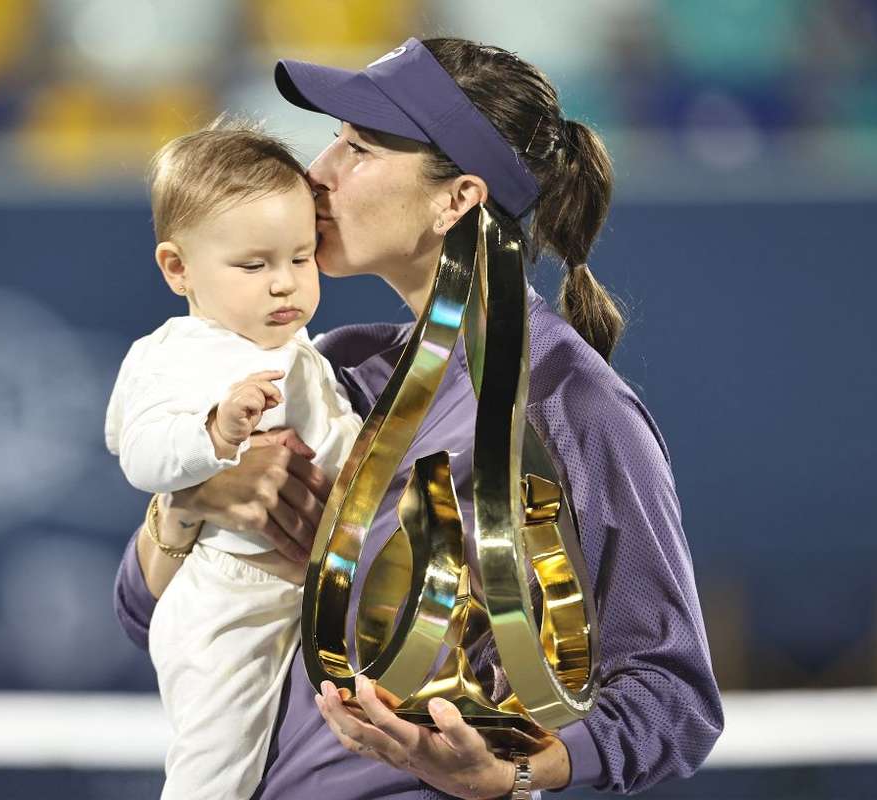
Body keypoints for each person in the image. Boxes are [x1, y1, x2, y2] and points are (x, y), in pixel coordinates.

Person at [114, 37, 724, 798]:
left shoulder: (574, 404)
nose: (317, 172)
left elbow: (673, 698)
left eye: (359, 149)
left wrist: (509, 772)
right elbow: (142, 611)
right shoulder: (336, 367)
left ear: (456, 199)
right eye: (333, 138)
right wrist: (190, 505)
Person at [104, 118, 362, 799]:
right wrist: (215, 436)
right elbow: (141, 453)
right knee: (215, 769)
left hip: (303, 593)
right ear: (178, 268)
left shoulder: (306, 350)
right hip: (228, 597)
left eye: (301, 258)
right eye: (254, 265)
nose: (284, 285)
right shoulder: (177, 354)